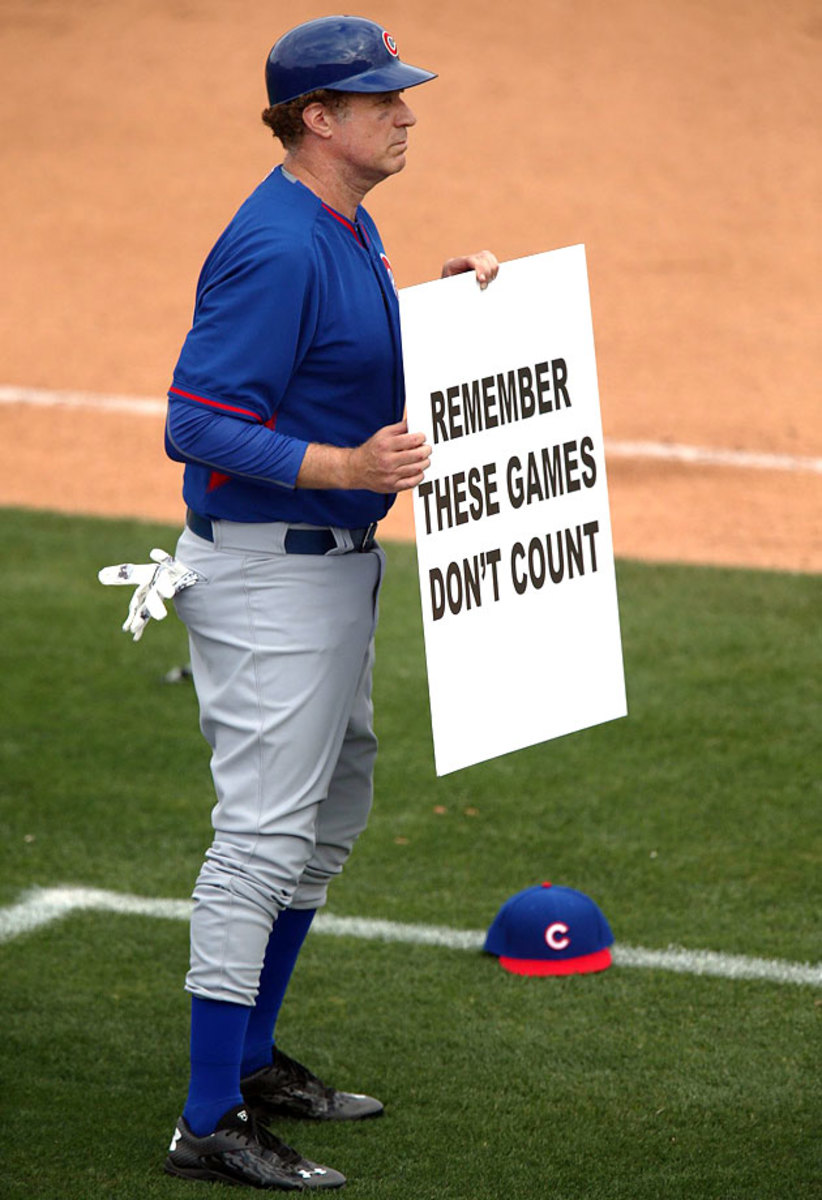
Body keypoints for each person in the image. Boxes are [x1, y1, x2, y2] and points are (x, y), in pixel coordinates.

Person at [161, 15, 498, 1190]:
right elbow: (195, 424)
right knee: (259, 841)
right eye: (382, 99)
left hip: (330, 569)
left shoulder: (348, 223)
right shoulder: (278, 245)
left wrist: (454, 318)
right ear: (319, 118)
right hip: (270, 574)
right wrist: (344, 470)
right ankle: (207, 1121)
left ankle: (251, 1061)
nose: (406, 111)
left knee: (327, 818)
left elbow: (343, 363)